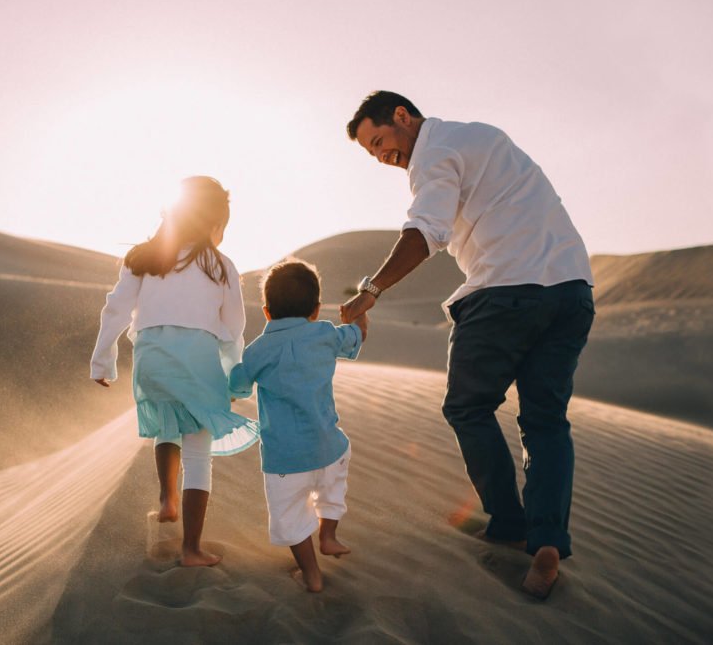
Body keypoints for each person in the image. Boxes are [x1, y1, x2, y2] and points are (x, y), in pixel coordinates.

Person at [340, 91, 595, 599]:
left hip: (506, 292)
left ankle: (508, 522)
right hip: (571, 291)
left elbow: (426, 230)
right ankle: (547, 543)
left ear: (402, 115)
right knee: (545, 420)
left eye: (380, 141)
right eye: (373, 154)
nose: (384, 157)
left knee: (468, 407)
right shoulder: (485, 135)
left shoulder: (433, 154)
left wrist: (371, 290)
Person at [90, 176, 258, 567]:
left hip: (150, 361)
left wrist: (103, 360)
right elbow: (233, 328)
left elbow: (115, 309)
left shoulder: (143, 259)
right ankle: (191, 548)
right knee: (199, 452)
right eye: (222, 228)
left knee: (167, 424)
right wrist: (234, 376)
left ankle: (167, 498)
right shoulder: (221, 266)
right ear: (213, 224)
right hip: (197, 361)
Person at [228, 259, 368, 592]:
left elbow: (236, 386)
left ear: (266, 311)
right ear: (316, 310)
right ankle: (329, 535)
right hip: (329, 448)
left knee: (290, 517)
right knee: (333, 488)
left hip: (285, 460)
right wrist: (361, 309)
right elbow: (359, 335)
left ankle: (311, 573)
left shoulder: (258, 350)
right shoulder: (324, 334)